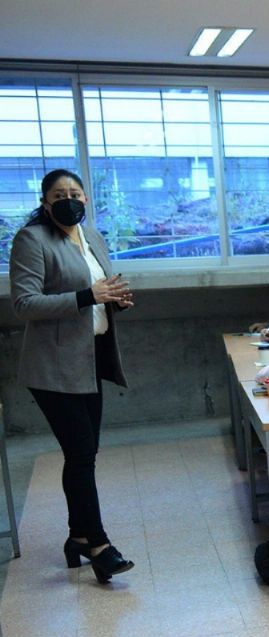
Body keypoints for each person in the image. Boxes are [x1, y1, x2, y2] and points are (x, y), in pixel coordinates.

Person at [10, 168, 135, 583]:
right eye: (61, 194)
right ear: (45, 201)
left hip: (90, 359)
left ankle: (77, 536)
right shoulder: (32, 239)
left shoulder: (92, 236)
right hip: (52, 367)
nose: (71, 199)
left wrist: (114, 299)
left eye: (77, 193)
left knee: (84, 455)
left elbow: (98, 290)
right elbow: (25, 304)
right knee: (81, 455)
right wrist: (88, 296)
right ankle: (98, 545)